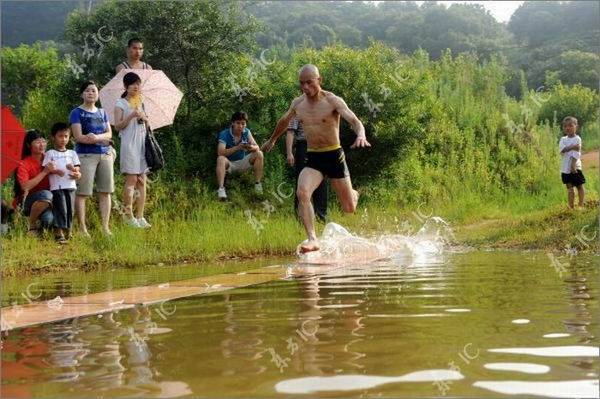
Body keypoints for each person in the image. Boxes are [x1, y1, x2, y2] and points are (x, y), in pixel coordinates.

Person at [262, 64, 370, 253]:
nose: (305, 87)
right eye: (301, 83)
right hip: (314, 158)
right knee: (302, 192)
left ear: (319, 80)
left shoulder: (332, 101)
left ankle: (353, 194)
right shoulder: (298, 104)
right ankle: (313, 239)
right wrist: (272, 140)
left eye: (309, 82)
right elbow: (283, 121)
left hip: (334, 155)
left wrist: (361, 135)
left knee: (349, 208)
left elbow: (354, 120)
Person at [70, 81, 115, 236]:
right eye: (87, 90)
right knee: (83, 192)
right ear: (82, 94)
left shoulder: (102, 112)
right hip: (85, 155)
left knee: (105, 191)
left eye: (93, 91)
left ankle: (105, 227)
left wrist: (96, 137)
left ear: (98, 94)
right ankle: (82, 228)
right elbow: (78, 137)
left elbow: (109, 134)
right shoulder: (76, 112)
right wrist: (97, 139)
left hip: (105, 154)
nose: (90, 93)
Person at [114, 72, 151, 228]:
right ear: (126, 86)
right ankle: (128, 216)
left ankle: (140, 216)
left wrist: (143, 117)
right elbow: (117, 126)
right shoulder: (120, 103)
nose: (136, 86)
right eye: (133, 84)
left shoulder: (140, 102)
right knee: (132, 180)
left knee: (142, 181)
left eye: (138, 84)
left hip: (142, 144)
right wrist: (131, 116)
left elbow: (148, 125)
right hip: (129, 145)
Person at [42, 122, 81, 243]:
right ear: (53, 137)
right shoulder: (50, 153)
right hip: (57, 187)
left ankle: (69, 231)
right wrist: (56, 170)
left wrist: (74, 170)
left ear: (69, 137)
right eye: (60, 136)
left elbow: (77, 169)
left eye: (66, 136)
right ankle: (59, 233)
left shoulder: (72, 153)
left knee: (70, 209)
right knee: (61, 208)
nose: (63, 139)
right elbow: (46, 169)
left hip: (70, 185)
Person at [12, 129, 54, 236]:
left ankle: (30, 223)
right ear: (28, 145)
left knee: (48, 220)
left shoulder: (50, 159)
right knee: (46, 194)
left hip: (47, 203)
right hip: (27, 202)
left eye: (43, 141)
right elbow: (25, 186)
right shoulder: (24, 164)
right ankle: (31, 226)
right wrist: (45, 172)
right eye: (37, 142)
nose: (42, 144)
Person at [286, 117, 328, 222]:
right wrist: (289, 152)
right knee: (302, 182)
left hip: (321, 146)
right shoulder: (298, 107)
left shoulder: (322, 107)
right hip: (303, 146)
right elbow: (290, 132)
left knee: (321, 181)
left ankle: (321, 216)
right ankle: (301, 218)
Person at [216, 111, 264, 200]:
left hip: (243, 162)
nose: (240, 126)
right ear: (232, 123)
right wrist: (237, 147)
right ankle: (221, 189)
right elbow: (220, 152)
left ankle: (257, 185)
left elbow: (257, 147)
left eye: (243, 123)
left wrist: (250, 147)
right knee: (220, 159)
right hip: (230, 163)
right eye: (238, 123)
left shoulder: (246, 132)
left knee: (259, 154)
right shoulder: (224, 133)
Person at [559, 116, 585, 209]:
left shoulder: (577, 139)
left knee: (579, 186)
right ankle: (571, 207)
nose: (567, 128)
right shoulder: (563, 139)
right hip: (565, 168)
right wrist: (572, 147)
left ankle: (580, 205)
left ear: (576, 127)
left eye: (570, 125)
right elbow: (562, 150)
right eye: (565, 126)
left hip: (575, 167)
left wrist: (573, 165)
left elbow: (576, 152)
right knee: (570, 189)